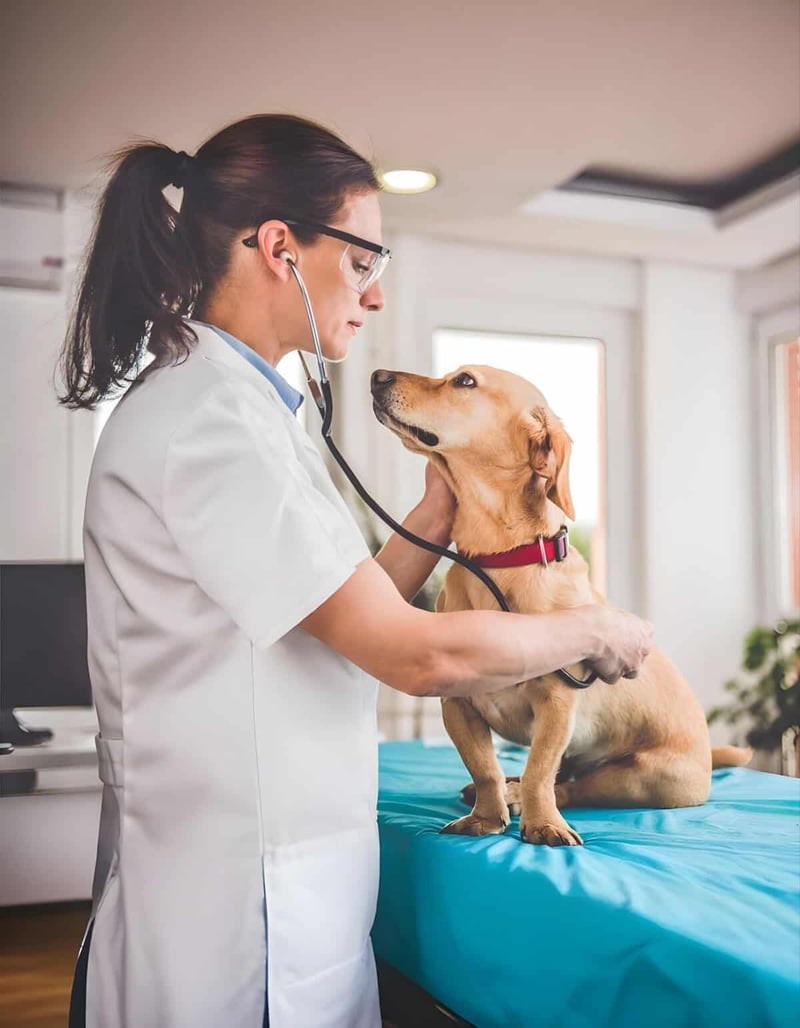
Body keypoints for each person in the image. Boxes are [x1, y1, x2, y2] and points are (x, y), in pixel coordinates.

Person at [58, 113, 652, 1028]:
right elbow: (410, 654)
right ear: (279, 246)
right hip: (233, 909)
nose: (374, 293)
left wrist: (428, 519)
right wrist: (596, 627)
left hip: (274, 877)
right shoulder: (211, 423)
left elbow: (336, 604)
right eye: (365, 258)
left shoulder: (247, 412)